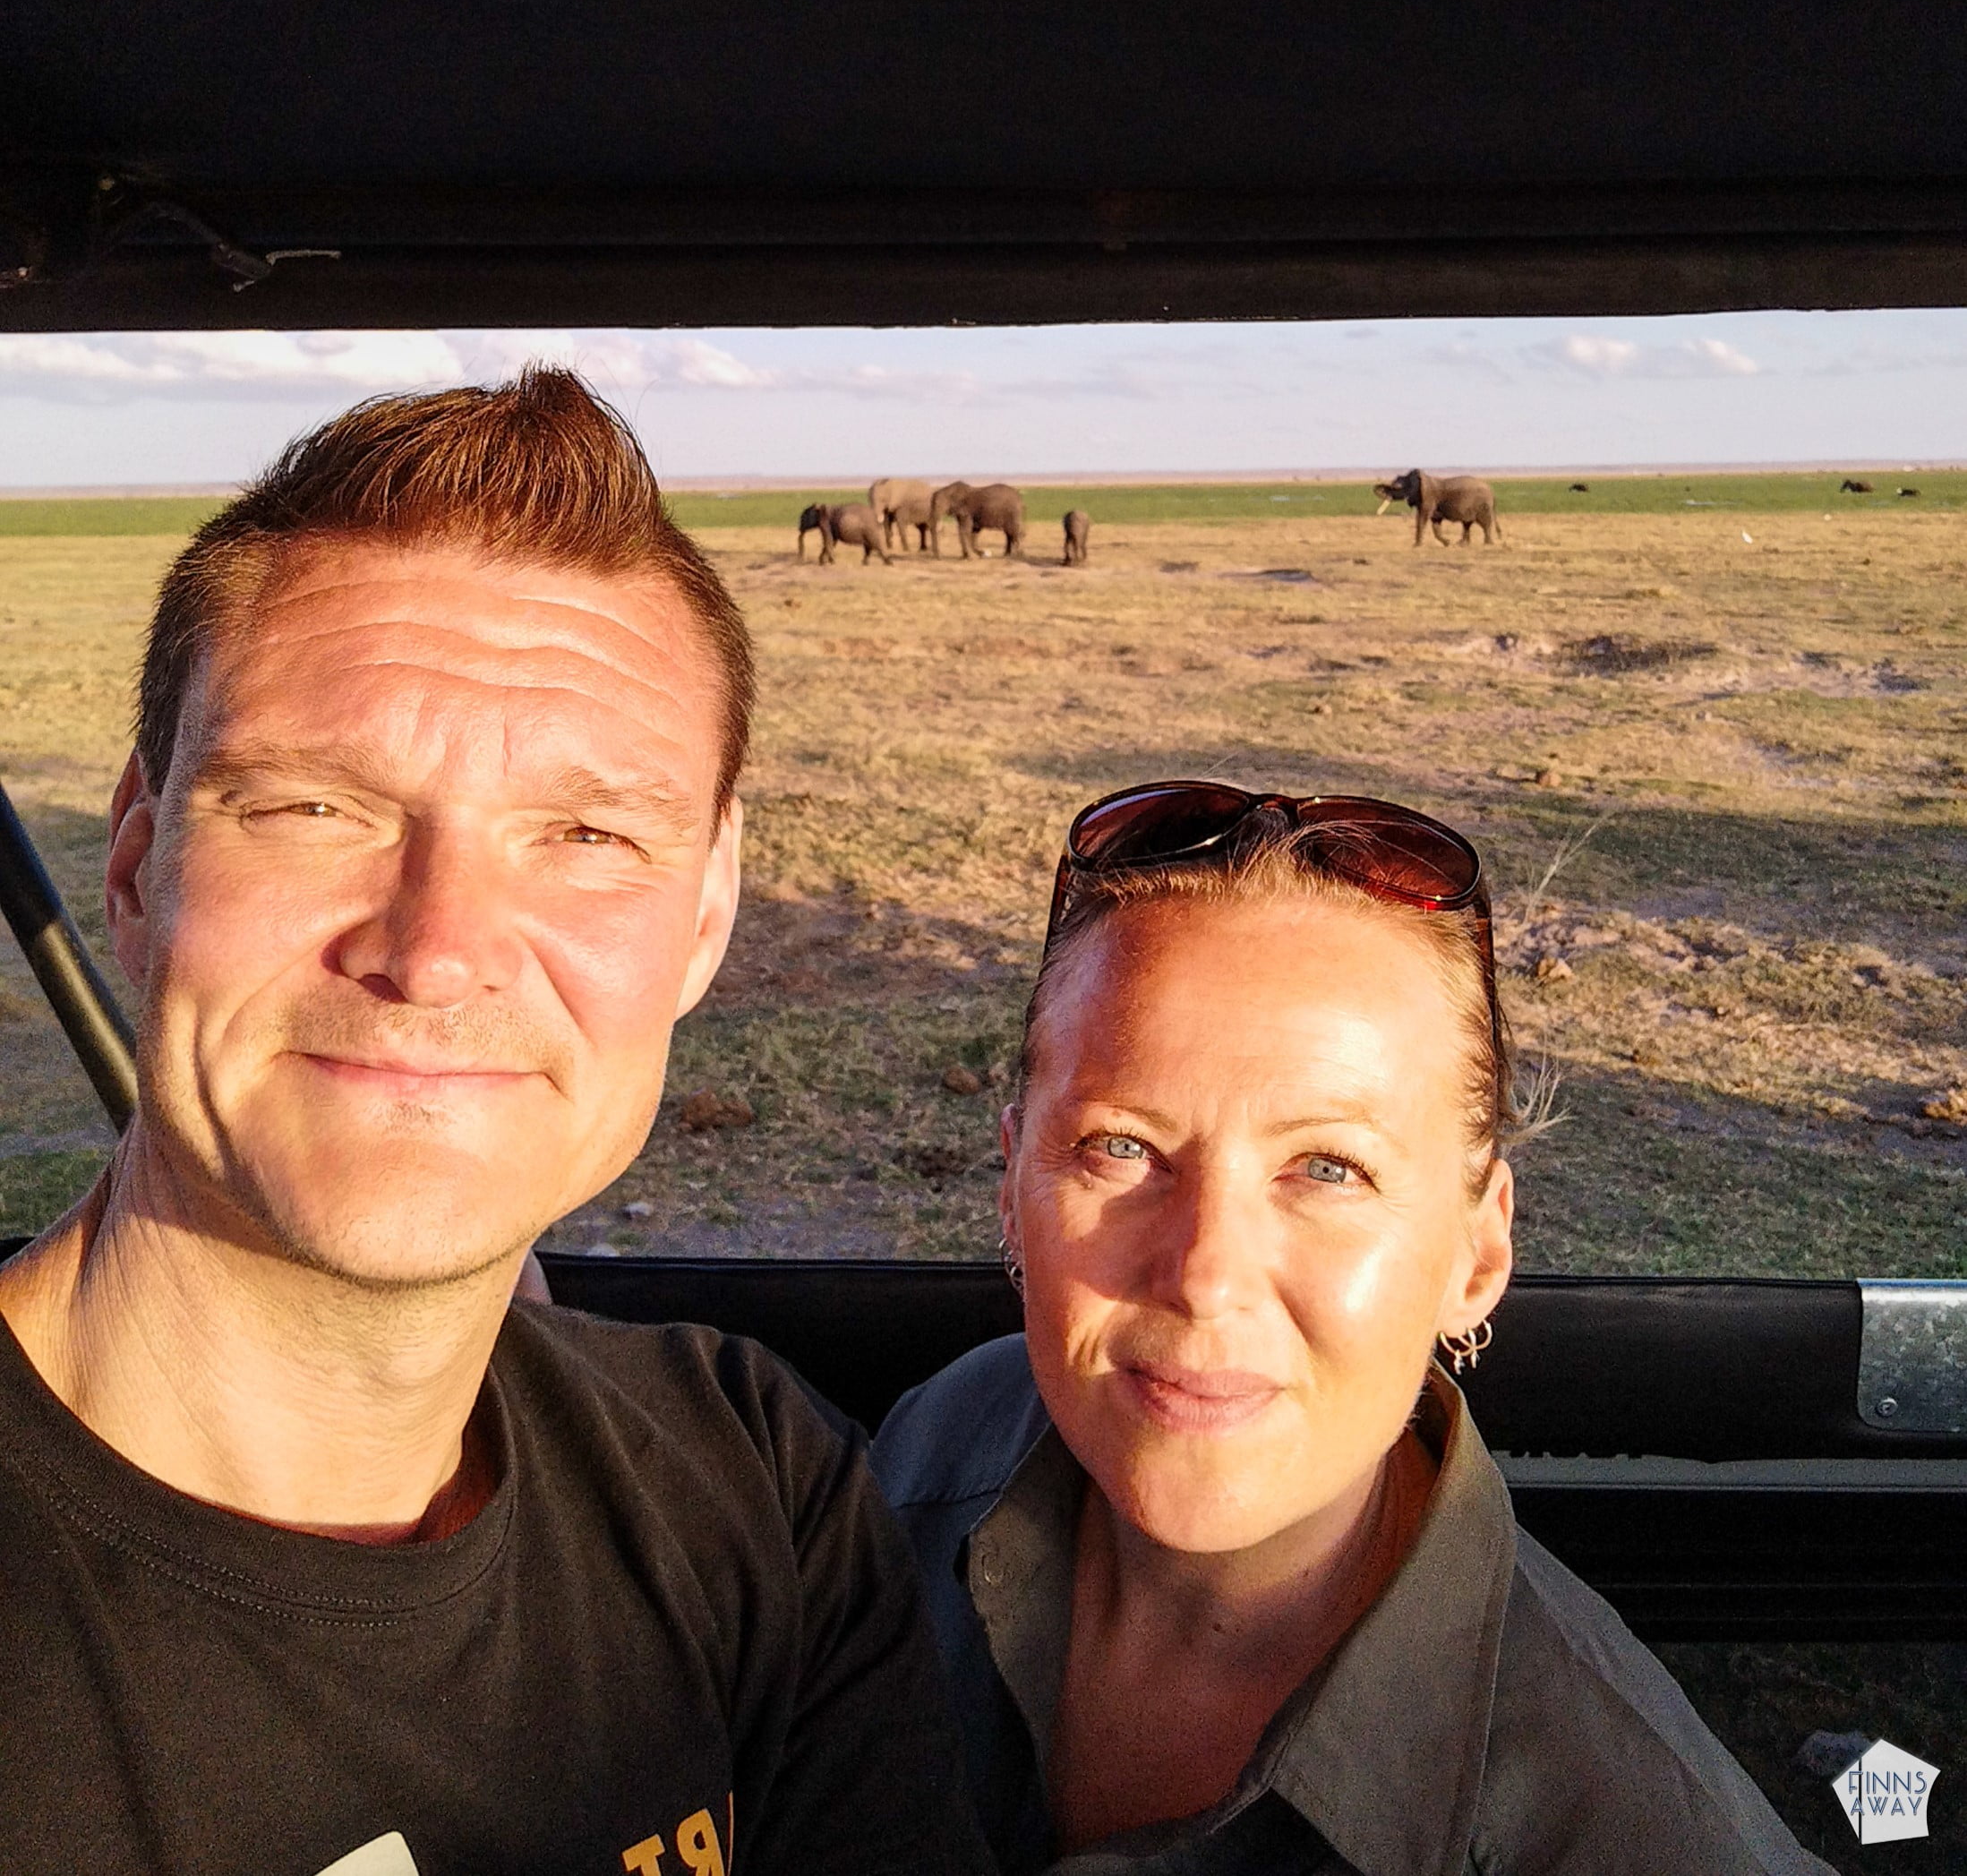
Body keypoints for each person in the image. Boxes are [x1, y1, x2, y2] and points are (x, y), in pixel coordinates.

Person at [0, 371, 988, 1876]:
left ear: (706, 916)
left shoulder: (752, 1493)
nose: (436, 946)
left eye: (587, 837)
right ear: (134, 873)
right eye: (314, 808)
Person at [873, 782, 1832, 1875]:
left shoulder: (1633, 1832)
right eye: (1120, 1148)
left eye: (1326, 1168)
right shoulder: (933, 1452)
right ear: (1012, 1188)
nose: (1204, 1275)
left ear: (1475, 1253)